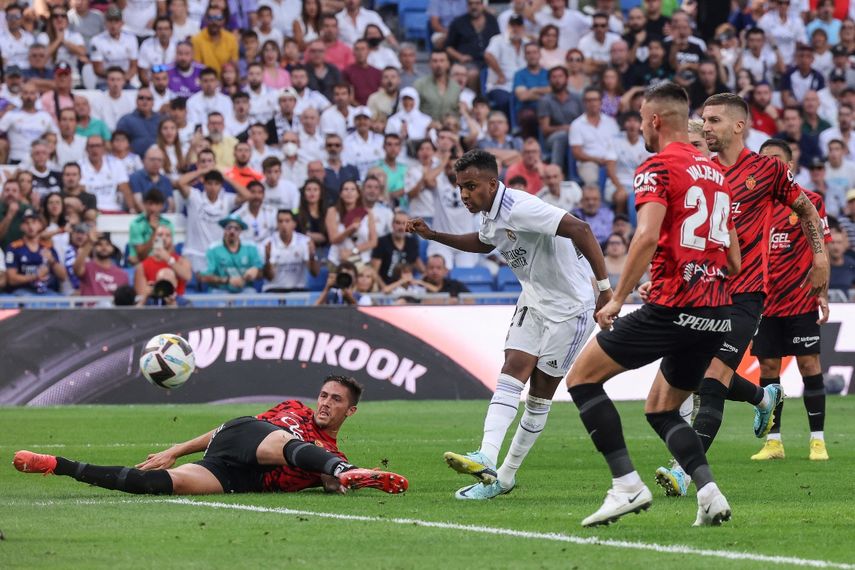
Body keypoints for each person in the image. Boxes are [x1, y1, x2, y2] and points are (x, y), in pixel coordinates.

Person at [562, 82, 740, 528]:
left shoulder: (656, 167)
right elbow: (734, 259)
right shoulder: (719, 174)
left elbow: (645, 235)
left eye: (641, 120)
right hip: (716, 310)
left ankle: (626, 486)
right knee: (661, 409)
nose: (641, 128)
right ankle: (709, 493)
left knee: (581, 380)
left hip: (672, 308)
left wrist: (617, 297)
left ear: (655, 121)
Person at [655, 92, 830, 498]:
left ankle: (685, 471)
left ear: (738, 125)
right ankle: (761, 396)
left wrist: (819, 259)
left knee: (712, 383)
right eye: (703, 120)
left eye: (713, 120)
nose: (706, 127)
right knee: (698, 378)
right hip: (705, 293)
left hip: (748, 296)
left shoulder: (767, 170)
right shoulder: (704, 174)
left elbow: (806, 210)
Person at [408, 149, 610, 500]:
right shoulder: (491, 213)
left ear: (493, 182)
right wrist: (434, 235)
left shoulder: (520, 206)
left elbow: (580, 227)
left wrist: (606, 290)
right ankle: (485, 455)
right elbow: (484, 242)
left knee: (538, 397)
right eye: (460, 188)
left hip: (570, 308)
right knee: (511, 370)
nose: (465, 195)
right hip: (533, 300)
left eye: (471, 186)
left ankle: (504, 477)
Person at [14, 376, 408, 496]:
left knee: (153, 484)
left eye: (335, 400)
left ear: (350, 411)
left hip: (242, 477)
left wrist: (343, 480)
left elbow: (322, 478)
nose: (324, 403)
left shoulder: (325, 450)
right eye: (323, 394)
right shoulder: (293, 410)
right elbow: (234, 430)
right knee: (289, 445)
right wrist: (176, 448)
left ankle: (55, 464)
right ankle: (347, 470)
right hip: (243, 436)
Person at [750, 139, 832, 462]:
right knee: (769, 368)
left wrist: (822, 293)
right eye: (764, 161)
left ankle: (818, 441)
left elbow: (821, 249)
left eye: (777, 161)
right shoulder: (754, 206)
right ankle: (774, 442)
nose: (770, 166)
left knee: (809, 364)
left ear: (790, 167)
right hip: (763, 303)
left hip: (800, 300)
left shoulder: (809, 202)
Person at [5, 208, 68, 295]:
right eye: (27, 223)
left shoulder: (48, 247)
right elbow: (11, 279)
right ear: (21, 226)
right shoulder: (14, 248)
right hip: (23, 291)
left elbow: (63, 277)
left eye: (34, 222)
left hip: (47, 291)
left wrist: (52, 261)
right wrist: (36, 276)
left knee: (63, 303)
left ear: (40, 225)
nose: (30, 226)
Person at [199, 213, 264, 293]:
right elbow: (203, 277)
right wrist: (227, 280)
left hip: (244, 289)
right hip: (220, 290)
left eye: (236, 228)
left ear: (240, 231)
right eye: (229, 228)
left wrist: (255, 272)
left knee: (251, 292)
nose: (232, 231)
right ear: (224, 230)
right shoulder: (213, 249)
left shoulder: (251, 247)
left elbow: (261, 273)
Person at [262, 209, 319, 293]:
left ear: (294, 224)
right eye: (280, 221)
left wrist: (312, 256)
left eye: (287, 221)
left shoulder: (305, 242)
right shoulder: (268, 243)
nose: (283, 225)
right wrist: (267, 258)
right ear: (277, 224)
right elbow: (269, 277)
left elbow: (315, 273)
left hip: (299, 289)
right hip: (274, 289)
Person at [0, 82, 56, 165]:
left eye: (32, 93)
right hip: (16, 158)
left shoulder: (45, 116)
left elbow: (55, 135)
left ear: (37, 96)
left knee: (52, 137)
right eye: (25, 93)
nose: (29, 97)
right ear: (20, 95)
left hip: (38, 160)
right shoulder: (11, 115)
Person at [135, 224, 192, 304]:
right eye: (160, 235)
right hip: (153, 304)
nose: (164, 238)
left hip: (178, 304)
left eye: (168, 235)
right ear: (153, 239)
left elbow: (187, 276)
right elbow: (141, 294)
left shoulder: (182, 261)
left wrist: (168, 259)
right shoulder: (142, 266)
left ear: (172, 239)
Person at [371, 210, 424, 284]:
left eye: (404, 223)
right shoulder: (382, 242)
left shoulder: (412, 242)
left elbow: (420, 268)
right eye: (398, 223)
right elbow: (374, 271)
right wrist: (384, 288)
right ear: (392, 224)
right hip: (387, 288)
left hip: (406, 288)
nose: (401, 227)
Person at [72, 227, 128, 296]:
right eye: (99, 244)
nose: (104, 247)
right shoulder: (87, 267)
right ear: (94, 247)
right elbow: (76, 269)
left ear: (113, 248)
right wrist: (90, 242)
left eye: (107, 244)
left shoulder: (122, 274)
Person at [192, 6, 238, 76]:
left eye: (218, 18)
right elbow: (197, 67)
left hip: (225, 80)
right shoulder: (197, 39)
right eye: (211, 18)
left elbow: (233, 65)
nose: (214, 22)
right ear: (206, 20)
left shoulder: (231, 39)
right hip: (205, 80)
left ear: (223, 20)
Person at [233, 180, 277, 247]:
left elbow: (277, 234)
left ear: (264, 195)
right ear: (246, 194)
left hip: (269, 250)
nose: (256, 196)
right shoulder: (238, 215)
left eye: (260, 192)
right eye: (252, 192)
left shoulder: (272, 212)